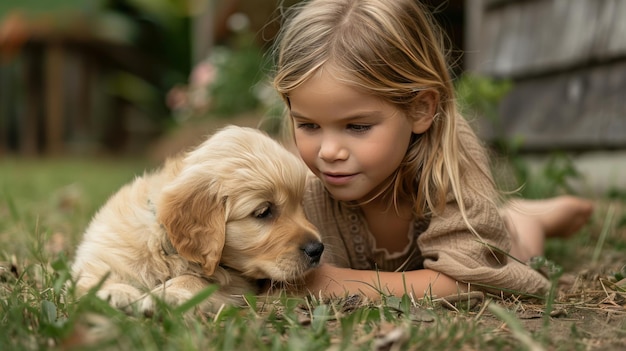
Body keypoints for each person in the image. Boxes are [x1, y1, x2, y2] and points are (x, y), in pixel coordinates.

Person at [271, 0, 593, 299]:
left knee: (520, 253)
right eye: (309, 125)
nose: (328, 152)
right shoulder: (300, 186)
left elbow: (471, 280)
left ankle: (528, 220)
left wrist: (331, 281)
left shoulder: (450, 159)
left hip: (482, 240)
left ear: (420, 110)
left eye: (357, 127)